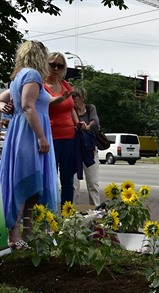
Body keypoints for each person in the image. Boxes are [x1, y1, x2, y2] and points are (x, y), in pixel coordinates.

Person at [0, 40, 59, 249]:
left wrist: (4, 106)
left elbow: (3, 99)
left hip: (20, 133)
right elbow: (27, 106)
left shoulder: (19, 76)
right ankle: (16, 236)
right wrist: (42, 137)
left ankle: (26, 234)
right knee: (26, 184)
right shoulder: (32, 75)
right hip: (29, 135)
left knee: (32, 186)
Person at [44, 52, 83, 206]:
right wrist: (59, 99)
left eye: (60, 66)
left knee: (67, 180)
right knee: (50, 179)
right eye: (52, 64)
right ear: (45, 64)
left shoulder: (66, 85)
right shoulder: (41, 86)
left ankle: (67, 216)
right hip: (51, 138)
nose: (56, 68)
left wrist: (77, 123)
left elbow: (71, 108)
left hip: (70, 137)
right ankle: (49, 216)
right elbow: (44, 104)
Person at [72, 86, 101, 206]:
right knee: (73, 186)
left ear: (82, 97)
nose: (72, 99)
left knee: (93, 184)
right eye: (71, 96)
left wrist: (87, 127)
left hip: (89, 151)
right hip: (74, 151)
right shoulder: (70, 110)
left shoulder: (90, 108)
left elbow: (95, 123)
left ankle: (95, 214)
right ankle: (72, 216)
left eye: (74, 96)